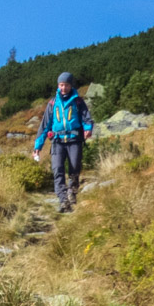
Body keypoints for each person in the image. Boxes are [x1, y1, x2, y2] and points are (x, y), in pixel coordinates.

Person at [32, 72, 93, 213]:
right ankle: (63, 200)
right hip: (57, 142)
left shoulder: (78, 101)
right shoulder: (53, 103)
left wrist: (88, 129)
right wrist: (38, 147)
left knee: (74, 169)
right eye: (61, 85)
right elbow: (44, 126)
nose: (63, 88)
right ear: (58, 86)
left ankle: (72, 193)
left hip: (74, 140)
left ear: (71, 85)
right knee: (57, 170)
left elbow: (87, 119)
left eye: (66, 85)